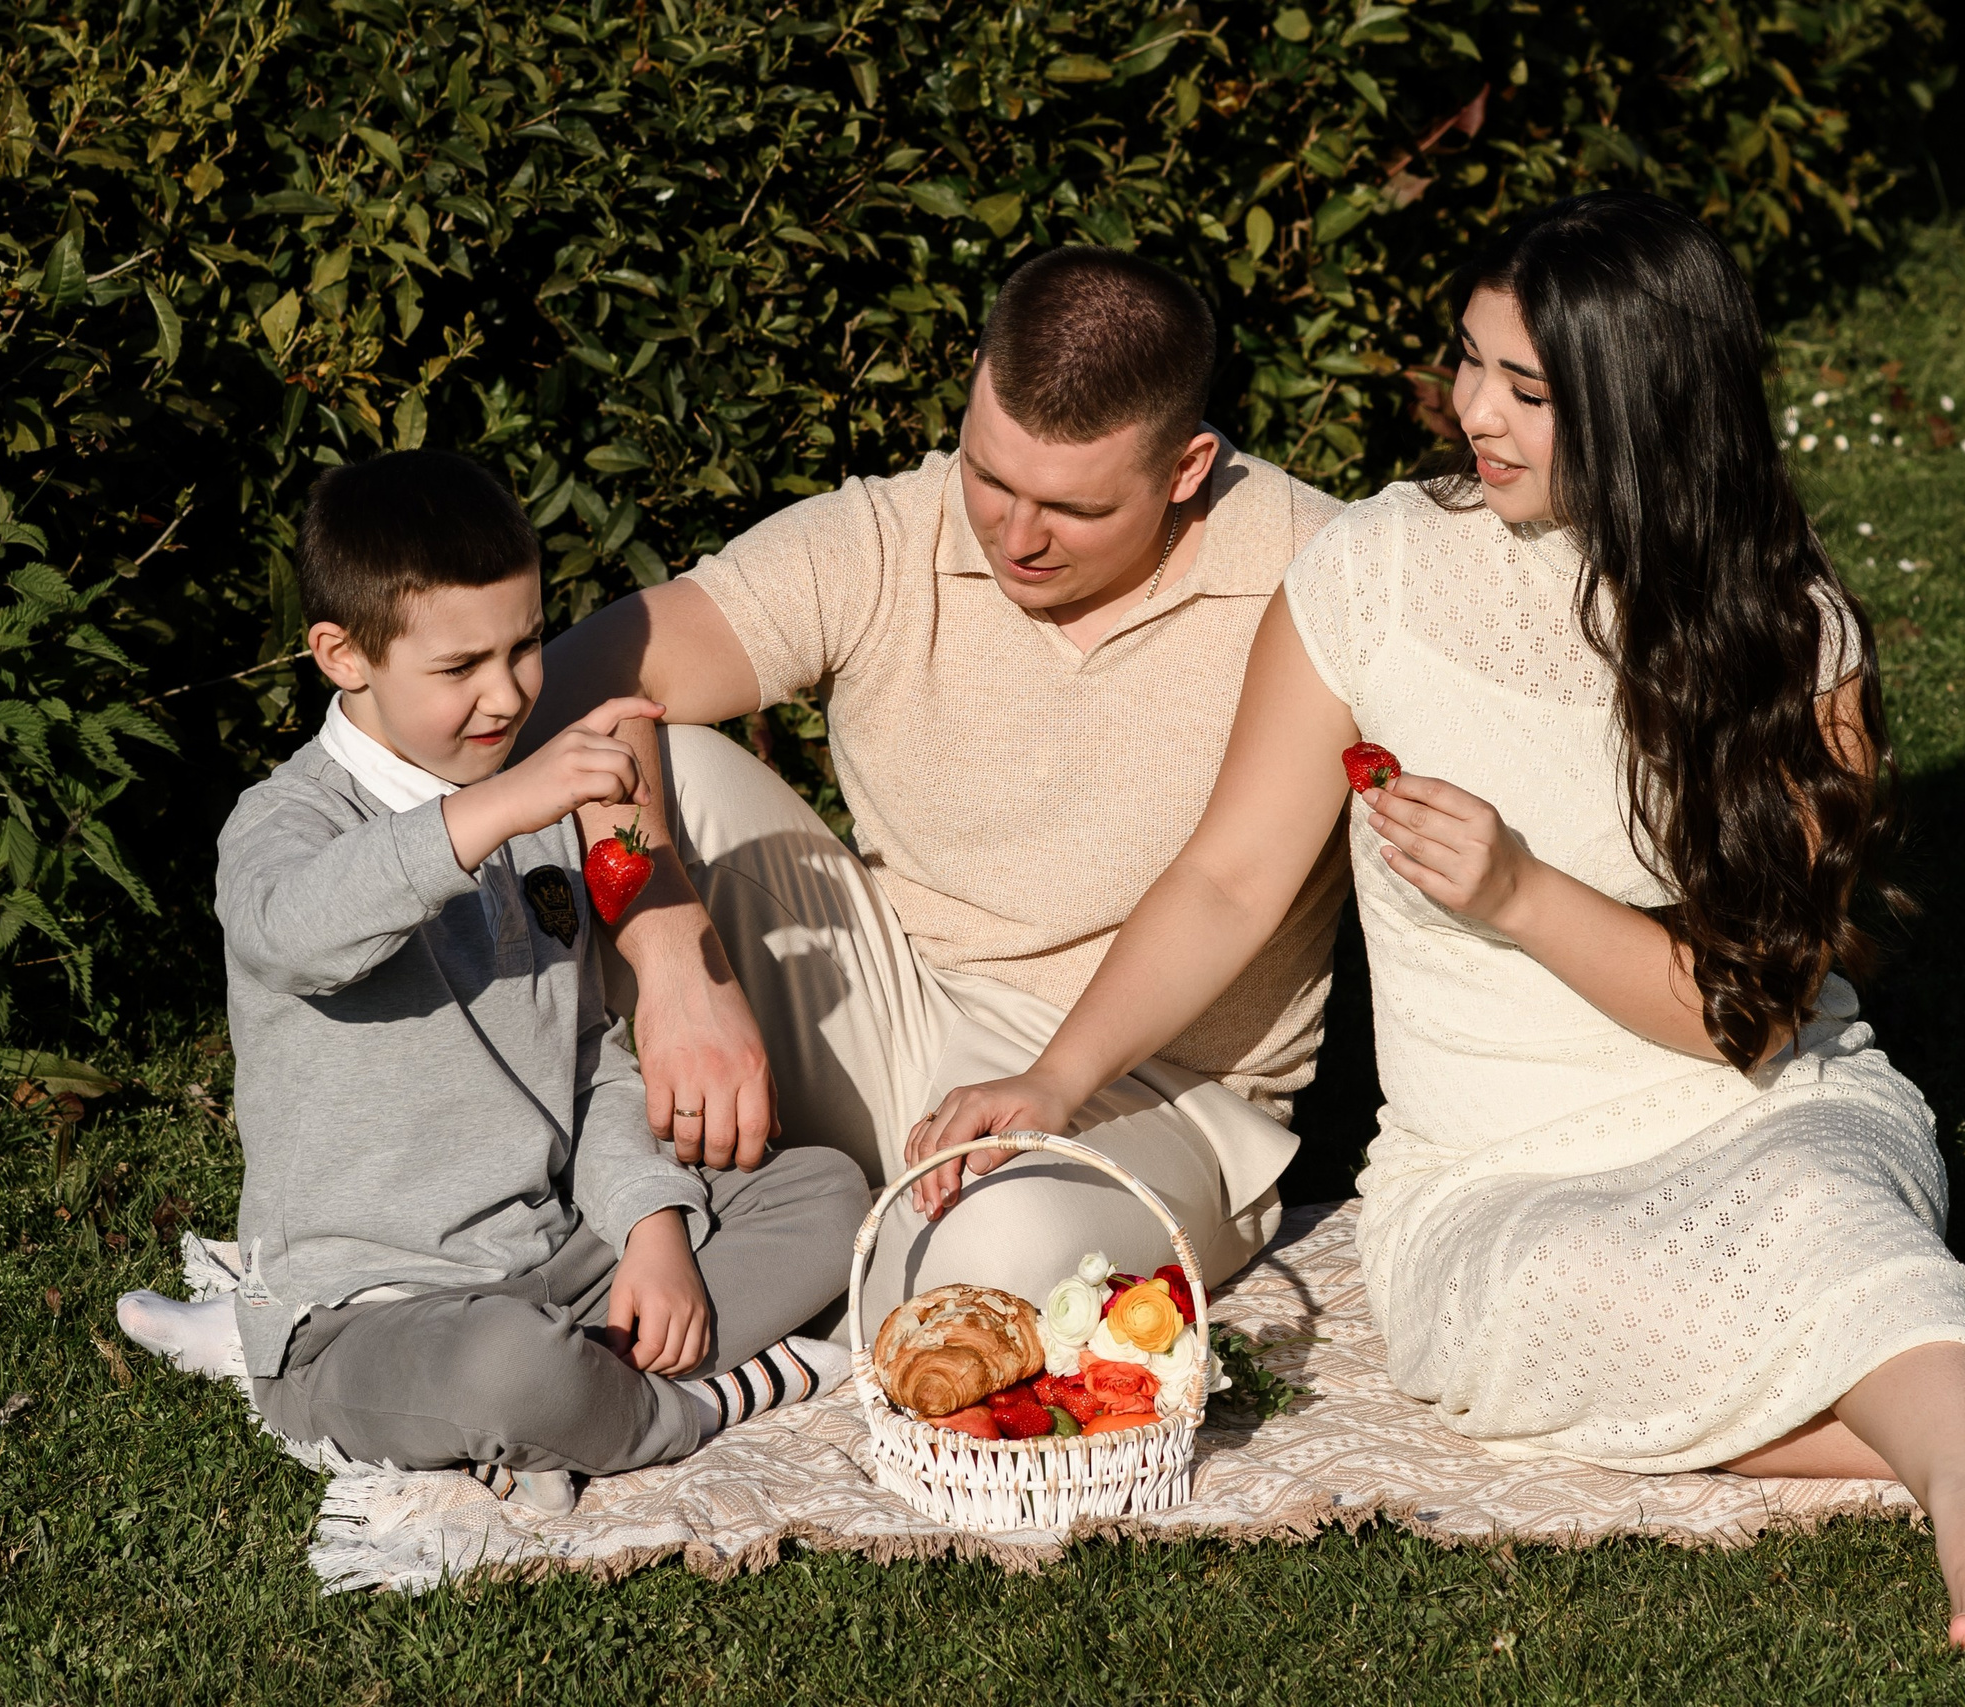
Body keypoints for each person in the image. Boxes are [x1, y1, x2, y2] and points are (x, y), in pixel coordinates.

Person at [915, 192, 1965, 1648]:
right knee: (1557, 1294)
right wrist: (1054, 1079)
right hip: (1490, 1159)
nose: (1476, 413)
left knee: (1827, 1219)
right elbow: (1227, 876)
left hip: (1755, 1098)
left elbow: (1749, 1017)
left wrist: (1519, 891)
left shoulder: (1794, 631)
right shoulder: (1373, 574)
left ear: (1647, 407)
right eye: (1470, 363)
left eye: (1530, 390)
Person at [523, 247, 1350, 1313]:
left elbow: (1233, 883)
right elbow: (565, 695)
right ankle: (740, 1220)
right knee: (650, 760)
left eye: (1073, 509)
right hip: (894, 1000)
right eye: (989, 476)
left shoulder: (1321, 569)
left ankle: (770, 1261)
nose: (1015, 536)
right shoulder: (886, 533)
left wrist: (1051, 1082)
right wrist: (675, 960)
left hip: (1154, 1094)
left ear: (1187, 469)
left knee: (998, 1264)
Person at [117, 450, 868, 1512]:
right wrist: (502, 811)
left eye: (525, 647)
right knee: (505, 1364)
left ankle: (584, 1388)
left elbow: (593, 1062)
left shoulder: (534, 814)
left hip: (560, 1255)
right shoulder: (289, 821)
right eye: (460, 667)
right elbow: (298, 933)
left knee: (829, 1194)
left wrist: (654, 1234)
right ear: (342, 656)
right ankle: (687, 1408)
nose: (510, 693)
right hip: (369, 1312)